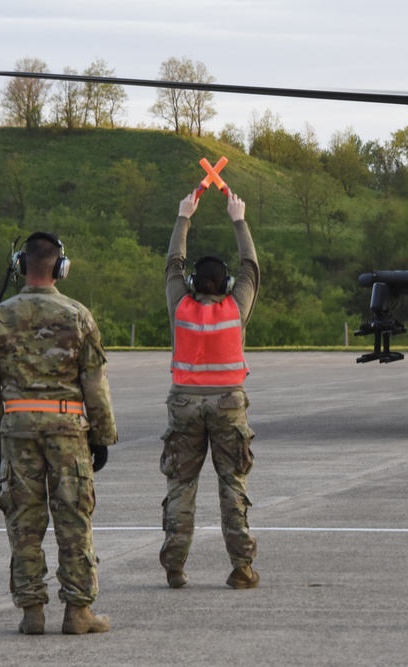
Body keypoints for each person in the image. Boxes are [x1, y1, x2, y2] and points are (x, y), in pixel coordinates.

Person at [0, 231, 117, 635]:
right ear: (59, 267)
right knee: (73, 520)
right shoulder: (78, 315)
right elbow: (95, 385)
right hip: (68, 435)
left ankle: (32, 611)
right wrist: (103, 436)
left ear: (22, 266)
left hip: (17, 435)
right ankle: (77, 611)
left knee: (24, 523)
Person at [159, 188, 260, 590]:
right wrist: (238, 217)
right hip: (228, 403)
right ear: (227, 285)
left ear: (191, 283)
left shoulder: (180, 306)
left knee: (181, 485)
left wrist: (184, 215)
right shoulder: (235, 309)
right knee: (232, 484)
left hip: (183, 403)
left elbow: (172, 263)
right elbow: (251, 264)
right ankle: (241, 568)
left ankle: (175, 566)